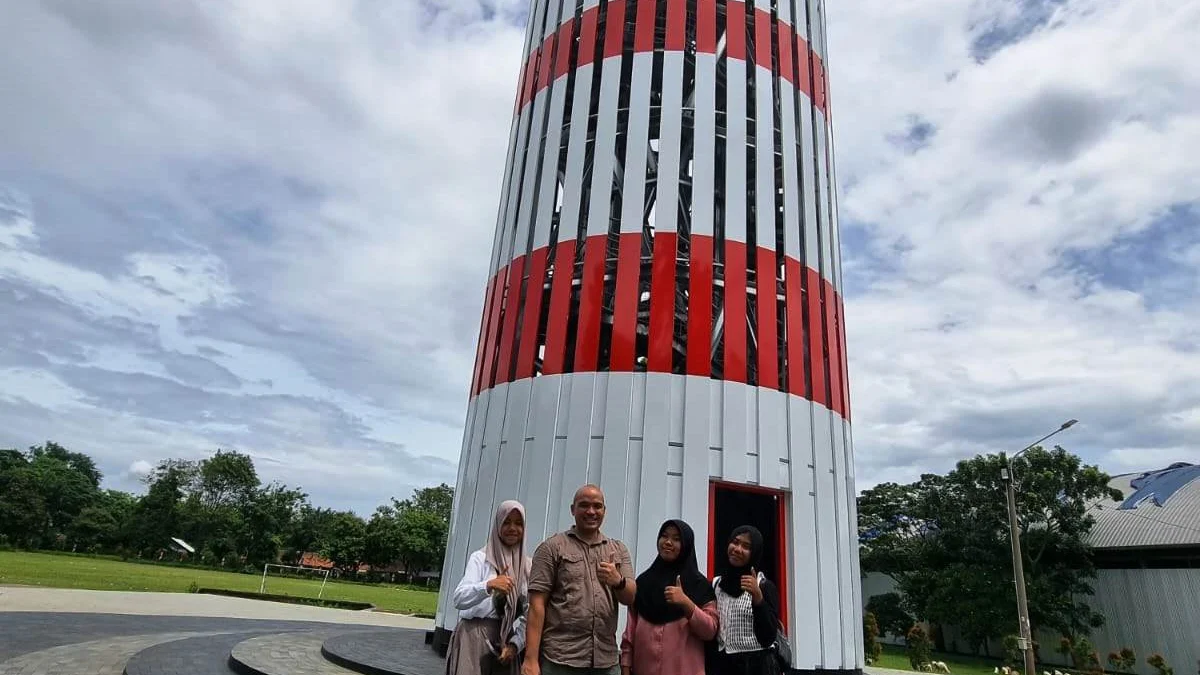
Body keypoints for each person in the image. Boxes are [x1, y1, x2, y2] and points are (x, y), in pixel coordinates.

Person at [522, 484, 637, 675]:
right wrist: (530, 659)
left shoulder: (618, 550)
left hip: (605, 661)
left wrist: (618, 581)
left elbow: (630, 597)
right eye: (584, 505)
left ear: (604, 511)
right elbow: (536, 605)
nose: (591, 511)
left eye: (597, 506)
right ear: (572, 510)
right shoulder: (552, 548)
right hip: (560, 660)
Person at [619, 519, 718, 675]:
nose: (668, 542)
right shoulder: (644, 582)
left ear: (686, 545)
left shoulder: (700, 586)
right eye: (664, 536)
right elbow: (630, 631)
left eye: (677, 539)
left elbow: (710, 631)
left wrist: (686, 603)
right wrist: (625, 665)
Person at [447, 500, 532, 675]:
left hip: (505, 641)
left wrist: (516, 643)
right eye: (506, 522)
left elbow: (530, 612)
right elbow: (459, 598)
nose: (512, 528)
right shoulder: (481, 559)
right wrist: (488, 585)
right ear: (497, 525)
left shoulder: (527, 566)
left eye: (518, 523)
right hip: (472, 636)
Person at [708, 525, 782, 675]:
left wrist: (758, 598)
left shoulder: (764, 586)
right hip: (723, 666)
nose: (737, 549)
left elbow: (768, 637)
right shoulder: (716, 584)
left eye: (746, 546)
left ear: (754, 553)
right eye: (735, 542)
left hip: (756, 666)